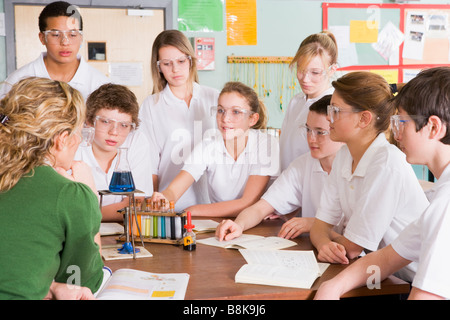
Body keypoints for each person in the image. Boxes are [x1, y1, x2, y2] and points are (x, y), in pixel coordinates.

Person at [315, 66, 450, 300]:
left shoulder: (444, 202)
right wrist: (332, 288)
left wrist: (332, 236)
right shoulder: (440, 196)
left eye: (402, 123)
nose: (396, 134)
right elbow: (387, 257)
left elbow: (425, 295)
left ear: (434, 127)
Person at [0, 77, 104, 299]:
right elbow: (83, 280)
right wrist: (90, 197)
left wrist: (50, 287)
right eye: (79, 133)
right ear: (62, 139)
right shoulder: (70, 194)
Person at [216, 95, 343, 240]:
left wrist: (315, 224)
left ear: (338, 130)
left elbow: (355, 239)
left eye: (320, 132)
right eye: (308, 130)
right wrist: (238, 225)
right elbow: (260, 208)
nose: (310, 138)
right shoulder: (302, 165)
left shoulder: (355, 169)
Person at [151, 81, 279, 217]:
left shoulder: (266, 144)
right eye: (220, 110)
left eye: (236, 112)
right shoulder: (209, 144)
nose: (225, 118)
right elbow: (174, 190)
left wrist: (191, 211)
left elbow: (248, 202)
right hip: (218, 222)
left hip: (259, 224)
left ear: (252, 119)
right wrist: (164, 198)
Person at [139, 29, 219, 212]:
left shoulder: (214, 98)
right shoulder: (151, 106)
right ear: (158, 67)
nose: (175, 70)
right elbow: (150, 164)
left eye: (181, 61)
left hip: (214, 205)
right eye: (167, 63)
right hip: (171, 206)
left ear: (191, 61)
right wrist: (154, 204)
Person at [75, 83, 154, 222]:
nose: (114, 132)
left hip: (119, 231)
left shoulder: (136, 140)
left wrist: (85, 215)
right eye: (106, 122)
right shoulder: (73, 144)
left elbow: (135, 204)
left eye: (124, 125)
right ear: (89, 121)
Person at [0, 1, 109, 100]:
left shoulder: (100, 85)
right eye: (56, 35)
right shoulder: (17, 81)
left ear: (81, 37)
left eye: (72, 34)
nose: (65, 42)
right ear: (42, 38)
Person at [279, 31, 338, 171]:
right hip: (286, 183)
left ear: (332, 70)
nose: (305, 79)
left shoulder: (333, 106)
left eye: (315, 73)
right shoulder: (296, 101)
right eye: (301, 69)